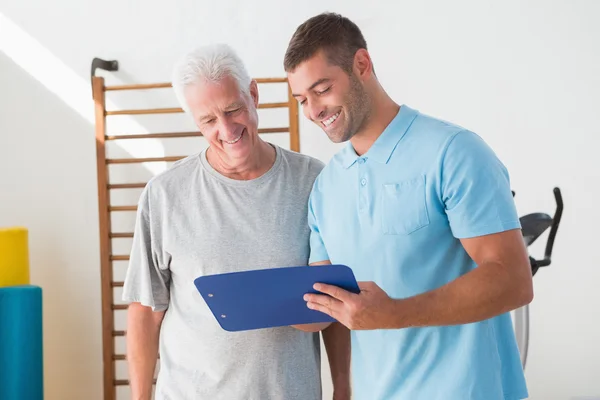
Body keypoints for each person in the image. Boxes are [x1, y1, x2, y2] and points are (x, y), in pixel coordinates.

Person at [283, 12, 534, 400]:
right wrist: (262, 302)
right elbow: (324, 304)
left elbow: (513, 280)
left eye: (322, 89)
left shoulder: (454, 152)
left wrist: (395, 313)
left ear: (361, 65)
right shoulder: (326, 188)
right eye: (302, 99)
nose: (313, 110)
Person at [121, 43, 350, 400]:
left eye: (233, 110)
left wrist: (344, 388)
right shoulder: (163, 195)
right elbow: (145, 311)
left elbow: (335, 300)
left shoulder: (313, 182)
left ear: (253, 95)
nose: (226, 129)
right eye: (209, 120)